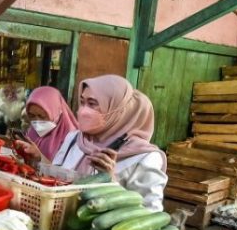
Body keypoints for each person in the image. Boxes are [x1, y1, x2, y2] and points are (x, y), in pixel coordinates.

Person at [52, 75, 167, 211]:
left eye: (92, 104)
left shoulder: (145, 157)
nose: (83, 110)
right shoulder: (74, 139)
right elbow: (53, 179)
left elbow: (150, 213)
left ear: (118, 110)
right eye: (82, 102)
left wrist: (111, 182)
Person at [15, 86, 78, 162]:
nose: (37, 121)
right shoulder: (32, 132)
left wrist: (40, 158)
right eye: (32, 116)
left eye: (42, 116)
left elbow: (65, 171)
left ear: (56, 112)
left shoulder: (72, 139)